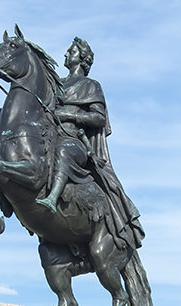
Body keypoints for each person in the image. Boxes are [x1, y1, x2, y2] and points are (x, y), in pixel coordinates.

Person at [34, 38, 145, 251]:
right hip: (50, 135)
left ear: (82, 58)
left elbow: (98, 118)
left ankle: (52, 198)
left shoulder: (91, 86)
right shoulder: (56, 82)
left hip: (74, 142)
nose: (66, 54)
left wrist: (70, 114)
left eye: (71, 51)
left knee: (63, 150)